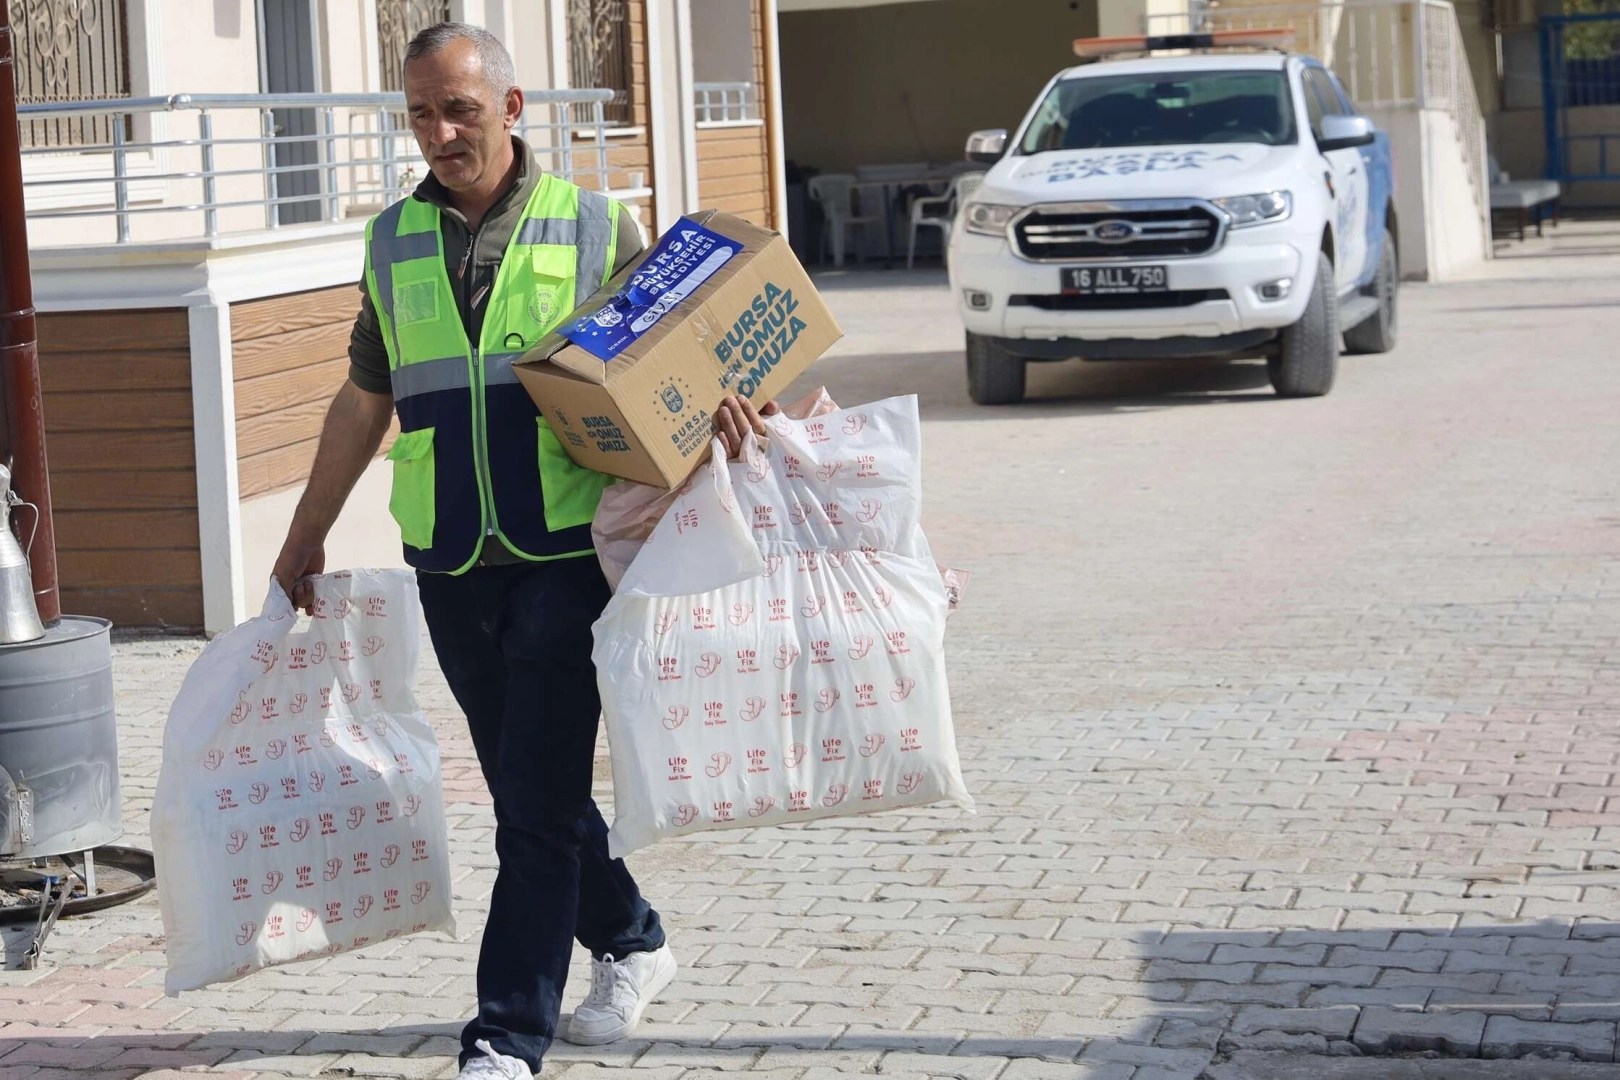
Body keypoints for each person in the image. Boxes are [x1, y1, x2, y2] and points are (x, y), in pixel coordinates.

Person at [271, 22, 771, 1080]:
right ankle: (633, 939)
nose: (439, 132)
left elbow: (676, 357)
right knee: (523, 788)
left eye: (458, 108)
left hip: (562, 546)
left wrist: (722, 402)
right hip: (449, 557)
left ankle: (504, 1036)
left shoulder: (594, 223)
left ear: (513, 107)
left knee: (533, 808)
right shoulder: (391, 240)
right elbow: (368, 398)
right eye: (419, 113)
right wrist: (307, 527)